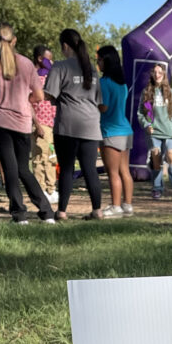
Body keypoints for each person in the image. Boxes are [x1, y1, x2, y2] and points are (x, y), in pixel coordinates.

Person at [0, 23, 55, 224]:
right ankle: (46, 212)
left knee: (10, 168)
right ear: (14, 41)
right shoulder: (26, 64)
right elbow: (39, 95)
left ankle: (19, 213)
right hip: (22, 121)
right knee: (23, 168)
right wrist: (24, 100)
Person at [45, 28, 103, 220]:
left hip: (67, 125)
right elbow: (98, 100)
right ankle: (98, 210)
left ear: (65, 46)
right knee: (90, 170)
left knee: (67, 168)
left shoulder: (60, 67)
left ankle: (61, 211)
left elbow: (49, 94)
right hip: (91, 126)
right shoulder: (91, 69)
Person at [96, 45, 135, 217]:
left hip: (111, 131)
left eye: (99, 59)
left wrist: (92, 104)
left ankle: (115, 206)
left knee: (112, 172)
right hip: (126, 130)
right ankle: (127, 205)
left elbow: (103, 107)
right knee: (125, 171)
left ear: (106, 60)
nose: (97, 63)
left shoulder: (104, 83)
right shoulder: (123, 84)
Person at [138, 63, 172, 201]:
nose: (157, 75)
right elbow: (141, 113)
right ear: (152, 75)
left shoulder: (170, 93)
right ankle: (157, 188)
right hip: (154, 134)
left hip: (170, 133)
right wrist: (147, 125)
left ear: (164, 74)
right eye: (155, 72)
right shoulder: (147, 93)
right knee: (156, 160)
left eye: (160, 72)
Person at [31, 45, 58, 204]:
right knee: (40, 157)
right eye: (48, 59)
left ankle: (51, 187)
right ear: (40, 59)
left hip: (53, 122)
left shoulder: (51, 76)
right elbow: (29, 102)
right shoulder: (32, 77)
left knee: (52, 157)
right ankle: (41, 189)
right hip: (40, 123)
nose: (51, 62)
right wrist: (37, 125)